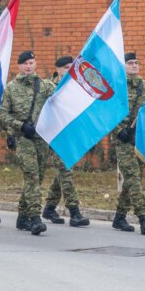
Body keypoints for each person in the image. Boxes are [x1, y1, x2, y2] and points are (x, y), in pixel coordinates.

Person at [0, 50, 52, 236]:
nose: (29, 66)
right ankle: (35, 218)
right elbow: (3, 114)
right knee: (31, 176)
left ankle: (22, 217)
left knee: (37, 178)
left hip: (41, 139)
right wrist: (20, 126)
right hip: (23, 139)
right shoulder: (11, 88)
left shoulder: (45, 86)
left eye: (31, 62)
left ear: (35, 64)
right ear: (19, 66)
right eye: (25, 63)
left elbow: (59, 102)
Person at [42, 56, 90, 227]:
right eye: (67, 67)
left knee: (61, 173)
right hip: (54, 137)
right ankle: (74, 212)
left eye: (72, 67)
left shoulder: (75, 87)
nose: (70, 70)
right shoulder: (49, 88)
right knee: (65, 171)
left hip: (70, 136)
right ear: (59, 70)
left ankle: (49, 208)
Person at [112, 52, 145, 235]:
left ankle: (119, 217)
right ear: (123, 66)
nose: (134, 65)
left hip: (140, 141)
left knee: (133, 179)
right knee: (133, 177)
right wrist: (117, 131)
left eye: (136, 62)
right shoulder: (116, 88)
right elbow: (106, 113)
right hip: (123, 141)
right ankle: (143, 217)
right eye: (130, 63)